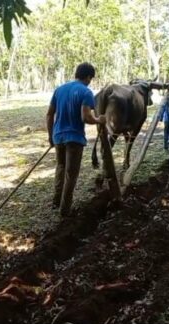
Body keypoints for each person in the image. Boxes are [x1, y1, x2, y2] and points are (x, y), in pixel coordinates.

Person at [46, 62, 106, 217]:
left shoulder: (59, 89)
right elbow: (86, 117)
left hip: (58, 136)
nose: (90, 81)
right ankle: (65, 211)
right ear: (88, 77)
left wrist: (51, 136)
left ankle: (56, 201)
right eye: (90, 78)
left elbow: (49, 114)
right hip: (74, 139)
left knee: (60, 168)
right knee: (71, 175)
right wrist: (99, 120)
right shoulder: (85, 92)